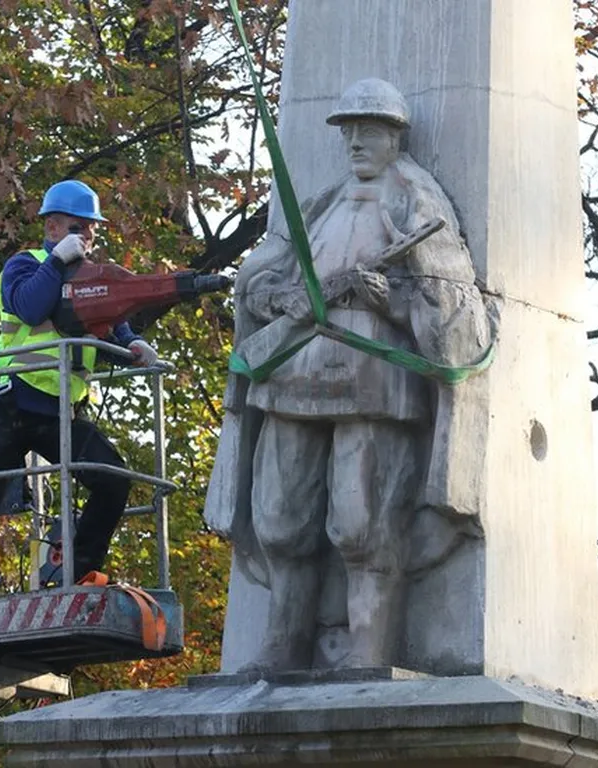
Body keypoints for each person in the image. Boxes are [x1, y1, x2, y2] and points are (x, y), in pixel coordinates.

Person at [205, 79, 494, 671]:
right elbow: (261, 273)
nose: (356, 141)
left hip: (374, 384)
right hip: (290, 376)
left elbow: (450, 302)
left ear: (395, 137)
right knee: (280, 520)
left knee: (362, 525)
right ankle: (283, 644)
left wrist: (391, 298)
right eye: (349, 130)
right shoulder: (321, 201)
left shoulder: (416, 202)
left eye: (370, 130)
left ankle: (368, 648)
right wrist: (280, 297)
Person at [0, 179, 159, 602]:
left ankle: (76, 576)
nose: (88, 236)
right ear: (53, 227)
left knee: (113, 480)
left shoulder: (90, 278)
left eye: (91, 228)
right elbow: (30, 306)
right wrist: (56, 264)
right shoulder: (24, 264)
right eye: (80, 226)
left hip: (61, 415)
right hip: (12, 404)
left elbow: (114, 323)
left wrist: (133, 345)